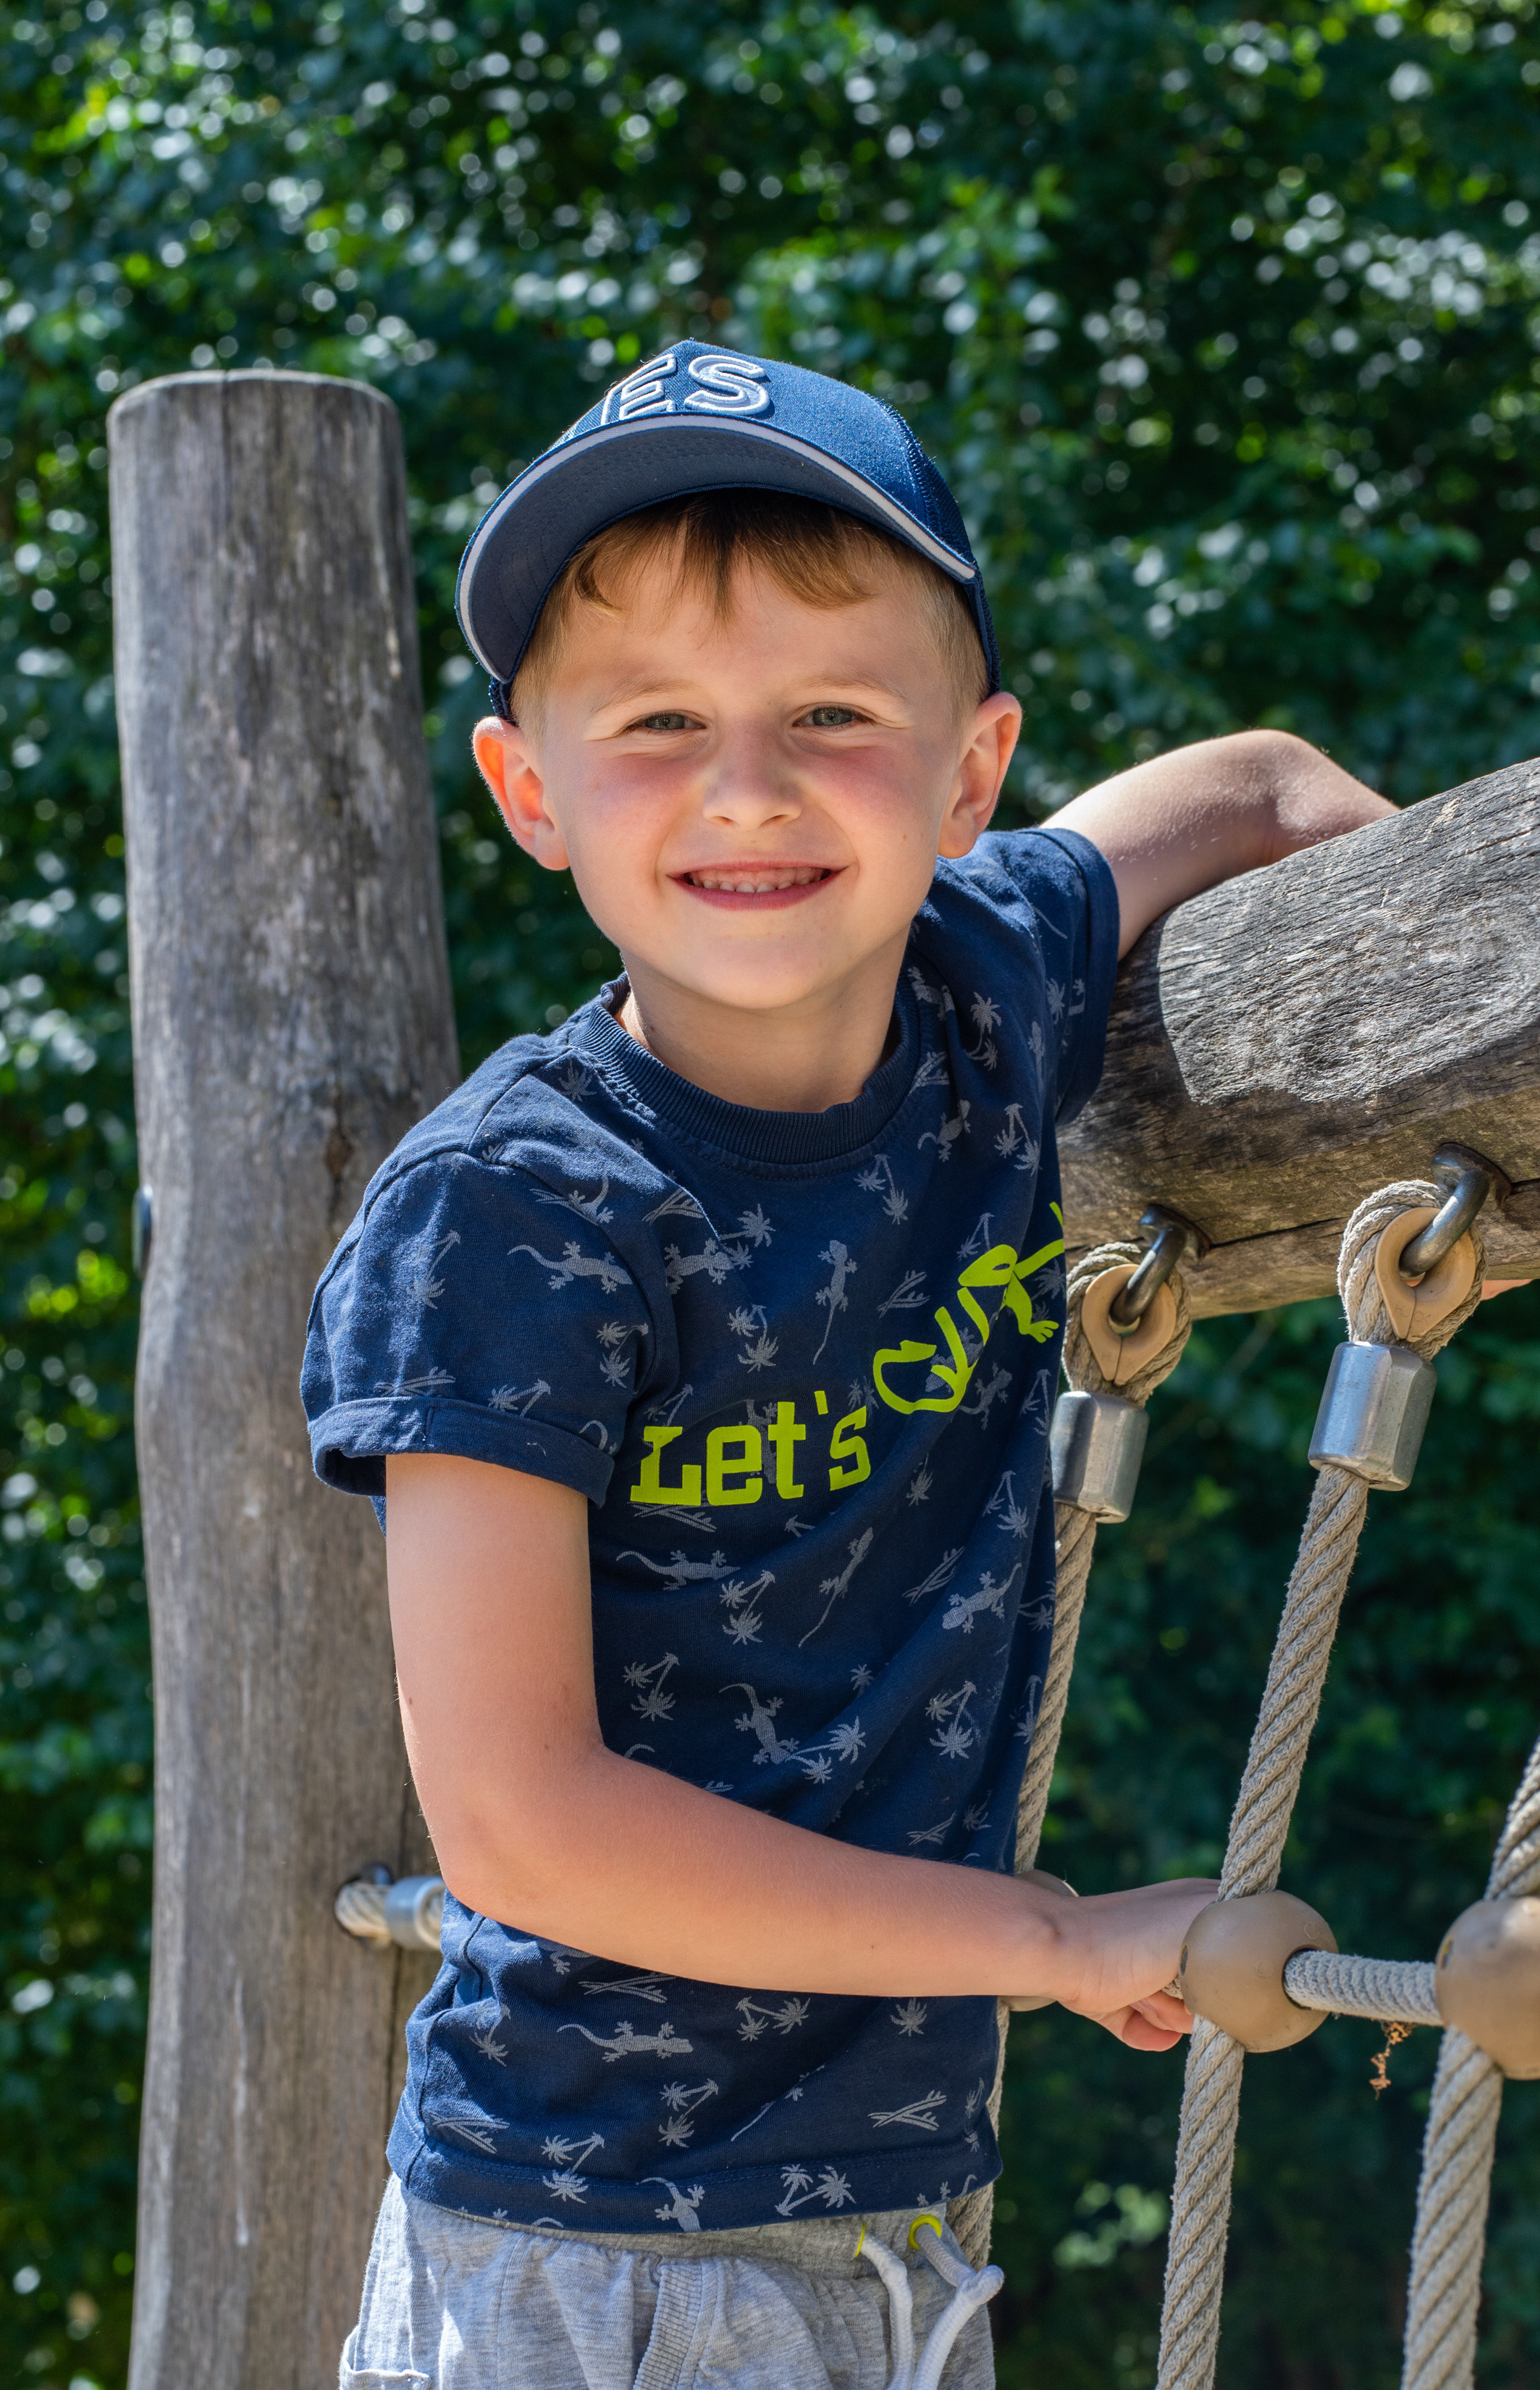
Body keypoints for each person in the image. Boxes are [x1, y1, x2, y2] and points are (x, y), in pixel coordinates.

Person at [303, 343, 1396, 2390]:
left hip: (896, 2225)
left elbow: (1252, 789)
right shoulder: (512, 1215)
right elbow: (521, 1823)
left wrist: (1470, 1033)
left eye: (832, 713)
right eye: (655, 726)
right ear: (527, 793)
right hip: (580, 2246)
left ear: (968, 770)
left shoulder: (989, 983)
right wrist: (1058, 1946)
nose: (747, 785)